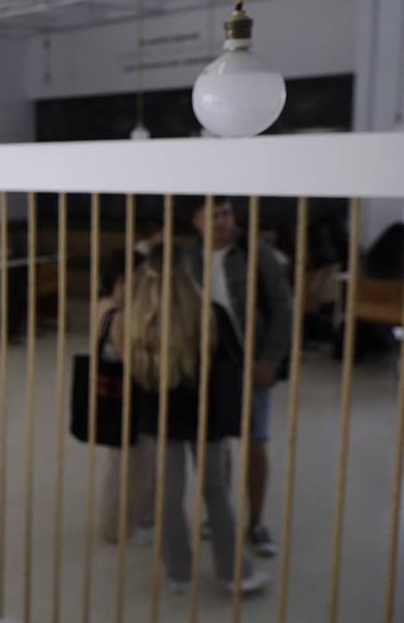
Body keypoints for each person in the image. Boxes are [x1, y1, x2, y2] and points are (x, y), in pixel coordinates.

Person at [119, 247, 268, 593]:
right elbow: (237, 362)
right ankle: (235, 574)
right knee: (216, 492)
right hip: (207, 418)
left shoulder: (137, 320)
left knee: (168, 496)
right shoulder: (212, 315)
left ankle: (178, 573)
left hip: (160, 420)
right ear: (188, 276)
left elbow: (134, 374)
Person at [186, 196, 293, 558]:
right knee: (215, 441)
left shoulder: (255, 253)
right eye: (212, 215)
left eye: (227, 213)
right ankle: (222, 513)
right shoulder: (188, 257)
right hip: (207, 362)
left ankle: (257, 522)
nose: (221, 221)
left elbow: (283, 306)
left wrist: (270, 359)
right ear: (196, 221)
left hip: (250, 360)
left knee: (254, 442)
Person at [95, 250, 155, 545]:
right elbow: (132, 361)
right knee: (125, 467)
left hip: (115, 398)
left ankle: (140, 516)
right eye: (140, 275)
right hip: (124, 399)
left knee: (134, 462)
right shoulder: (117, 315)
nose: (144, 281)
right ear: (122, 279)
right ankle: (115, 529)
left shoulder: (104, 305)